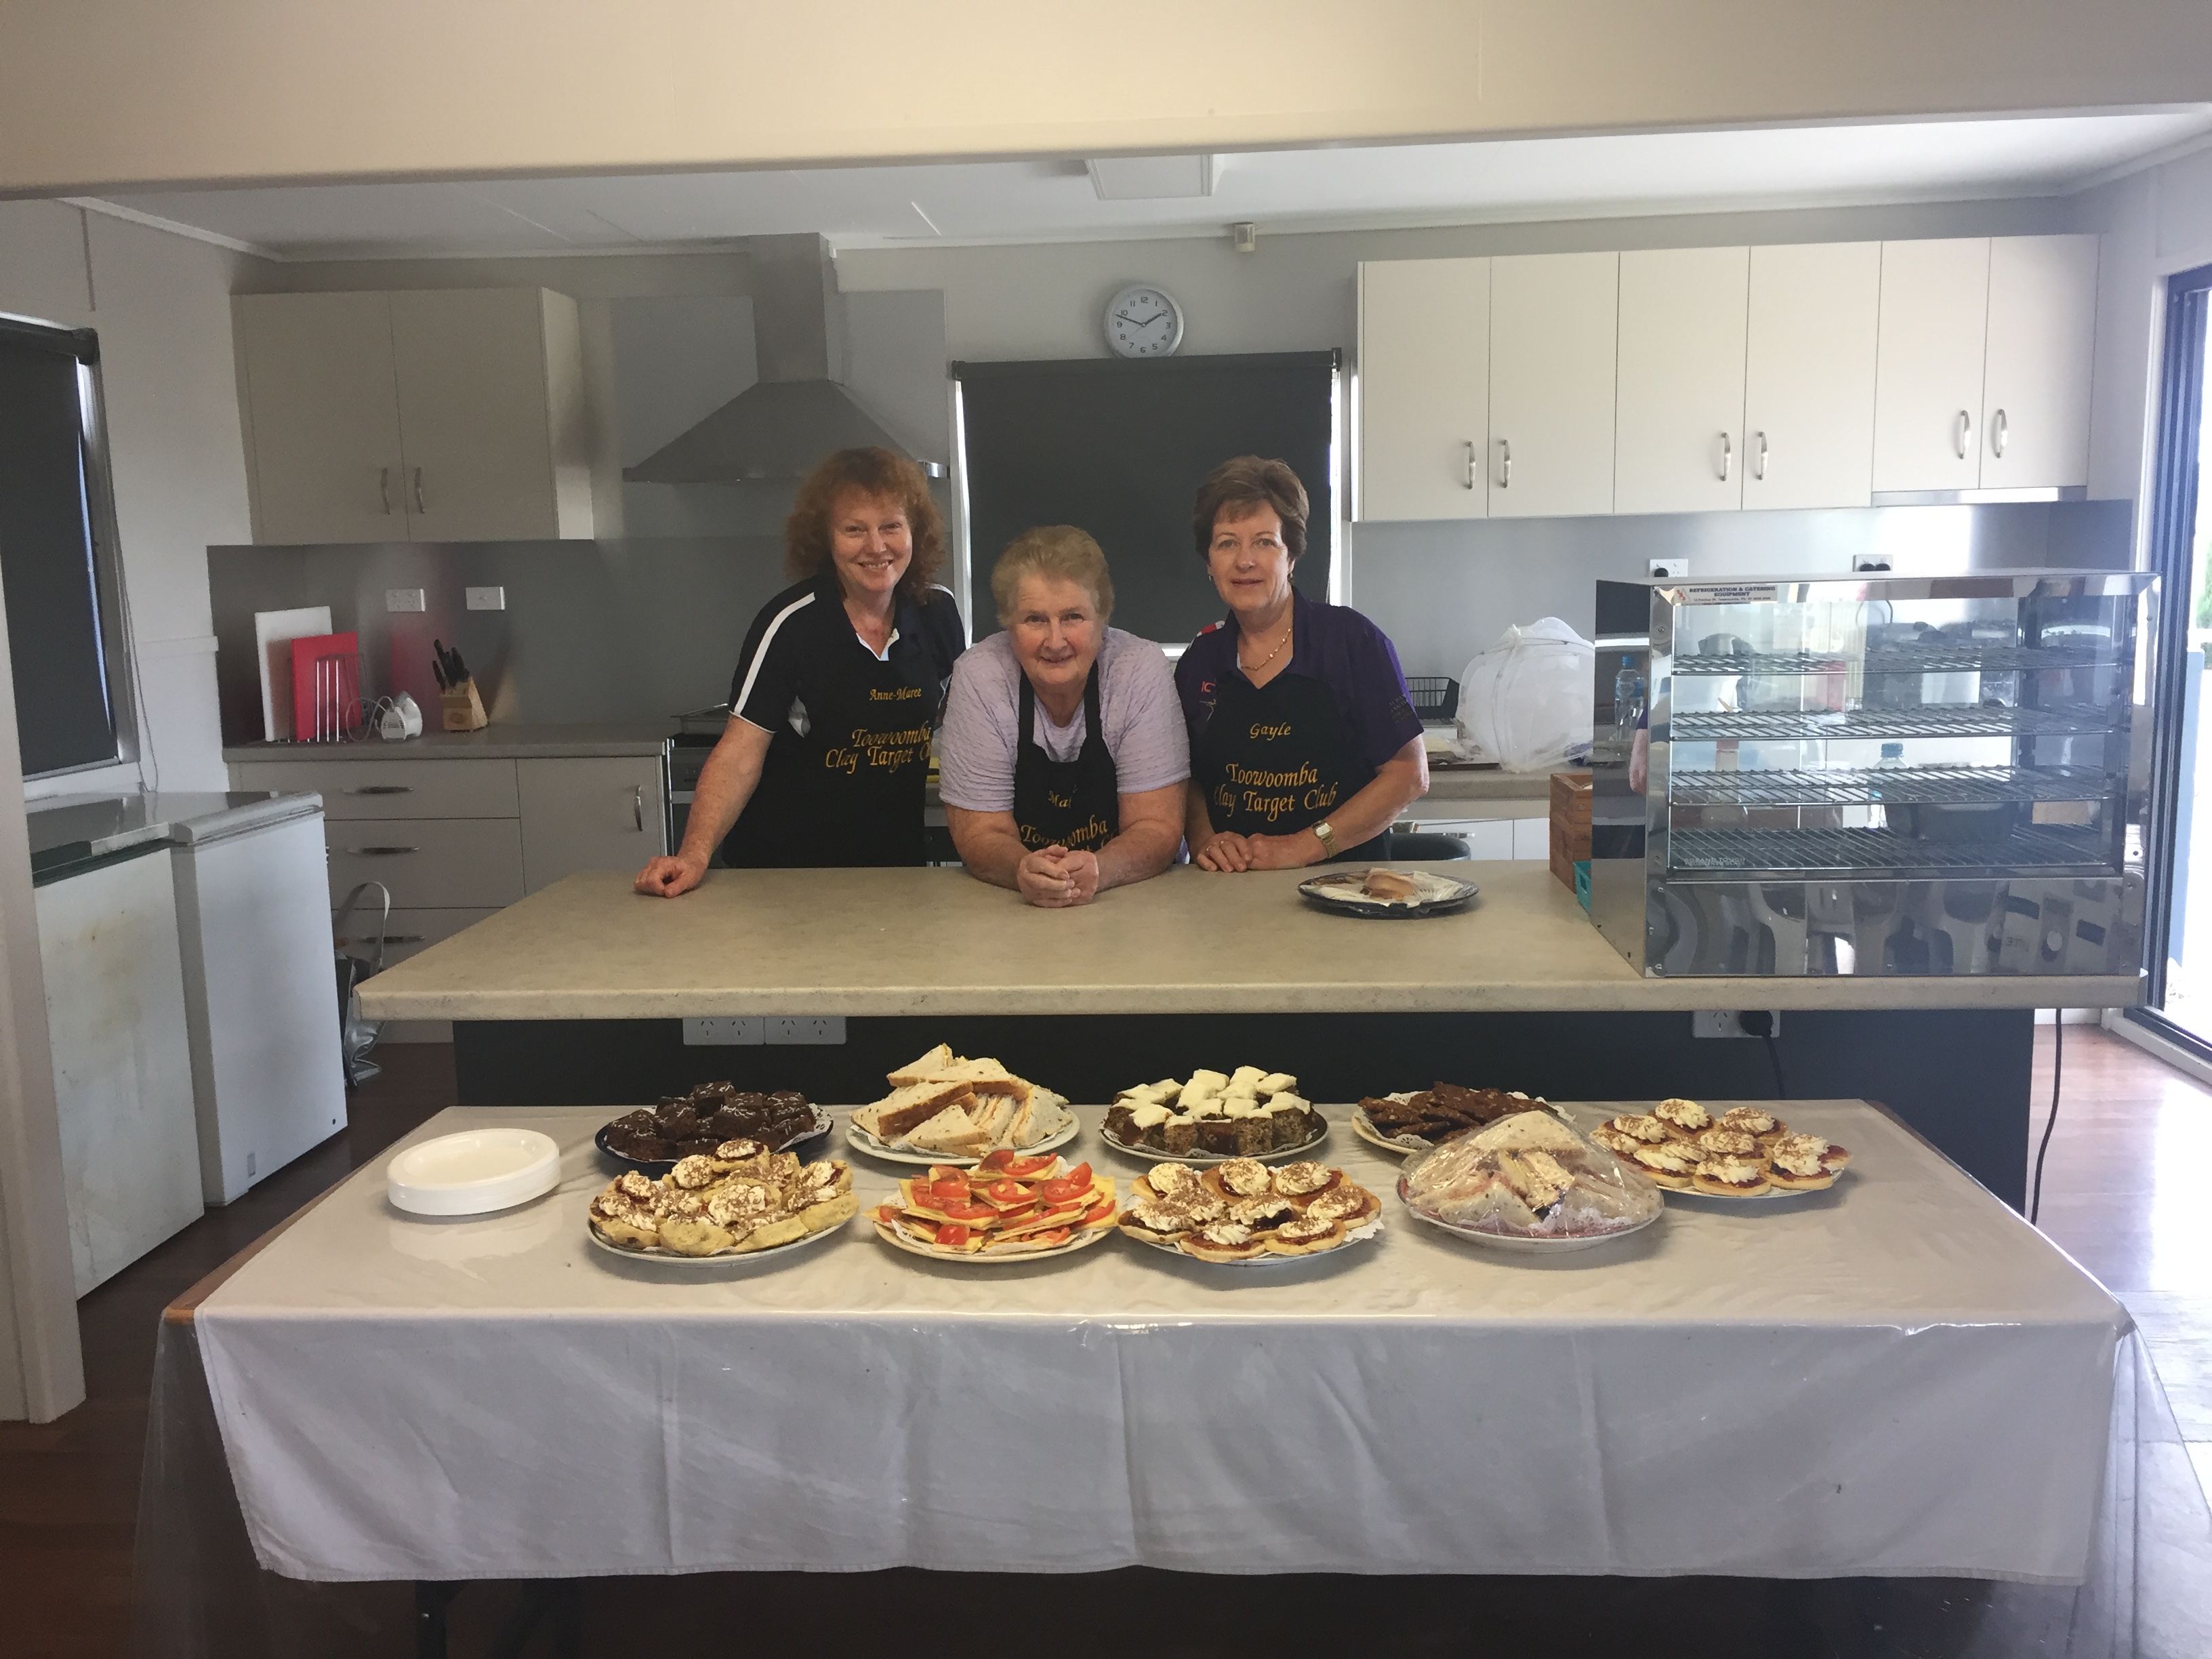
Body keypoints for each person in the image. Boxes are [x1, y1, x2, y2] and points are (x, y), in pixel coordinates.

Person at [635, 449, 964, 894]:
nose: (876, 546)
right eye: (854, 530)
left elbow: (949, 711)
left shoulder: (937, 612)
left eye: (891, 526)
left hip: (895, 870)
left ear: (915, 532)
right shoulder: (791, 624)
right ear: (825, 540)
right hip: (785, 873)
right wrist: (694, 853)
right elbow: (739, 753)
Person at [1175, 455, 1428, 871]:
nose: (1244, 561)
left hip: (1345, 890)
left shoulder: (1353, 643)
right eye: (1226, 543)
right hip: (1229, 897)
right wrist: (1205, 839)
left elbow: (1408, 773)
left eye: (1264, 541)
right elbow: (1188, 781)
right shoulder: (1199, 663)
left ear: (1291, 556)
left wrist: (1304, 846)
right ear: (1209, 563)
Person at [937, 526, 1188, 907]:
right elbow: (979, 833)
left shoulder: (1139, 669)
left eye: (1073, 617)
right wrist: (1023, 869)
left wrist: (1101, 869)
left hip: (1130, 901)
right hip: (1013, 910)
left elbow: (1157, 826)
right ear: (1007, 623)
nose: (1055, 642)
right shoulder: (979, 677)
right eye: (1035, 620)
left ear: (1102, 616)